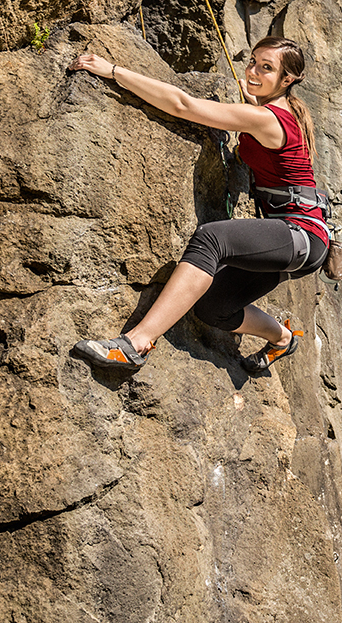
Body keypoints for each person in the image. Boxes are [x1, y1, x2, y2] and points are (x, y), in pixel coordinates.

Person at [68, 36, 328, 374]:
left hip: (300, 235)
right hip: (294, 240)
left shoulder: (267, 119)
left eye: (267, 68)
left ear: (287, 80)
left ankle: (136, 344)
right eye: (252, 62)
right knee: (213, 309)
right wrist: (256, 101)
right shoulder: (274, 111)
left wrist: (113, 71)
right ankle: (282, 337)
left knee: (211, 238)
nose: (252, 71)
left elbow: (183, 105)